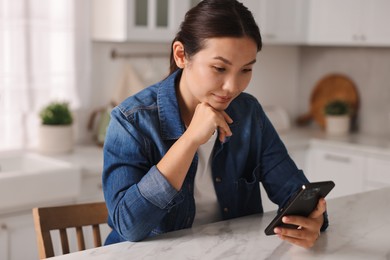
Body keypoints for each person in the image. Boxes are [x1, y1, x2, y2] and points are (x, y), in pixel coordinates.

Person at [102, 0, 328, 249]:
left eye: (246, 69)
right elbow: (128, 226)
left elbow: (295, 192)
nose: (233, 87)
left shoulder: (249, 113)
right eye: (219, 68)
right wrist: (189, 140)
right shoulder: (131, 121)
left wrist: (312, 221)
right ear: (181, 55)